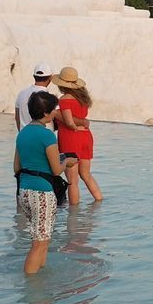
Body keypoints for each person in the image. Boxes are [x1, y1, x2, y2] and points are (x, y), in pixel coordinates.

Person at [15, 91, 79, 274]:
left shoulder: (22, 134)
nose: (55, 113)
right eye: (53, 110)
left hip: (25, 191)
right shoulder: (48, 135)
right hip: (42, 192)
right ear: (45, 113)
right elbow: (56, 170)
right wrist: (66, 161)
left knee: (42, 239)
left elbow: (16, 167)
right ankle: (31, 288)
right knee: (39, 243)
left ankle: (40, 281)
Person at [54, 66, 103, 203]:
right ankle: (99, 200)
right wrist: (82, 126)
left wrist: (74, 127)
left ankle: (73, 216)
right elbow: (81, 118)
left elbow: (69, 122)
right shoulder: (83, 98)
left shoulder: (65, 99)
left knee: (72, 181)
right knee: (86, 174)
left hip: (71, 138)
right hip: (86, 137)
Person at [14, 63, 54, 130]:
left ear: (33, 76)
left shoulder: (21, 93)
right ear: (50, 78)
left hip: (24, 135)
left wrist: (22, 133)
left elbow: (17, 117)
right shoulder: (48, 97)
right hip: (43, 136)